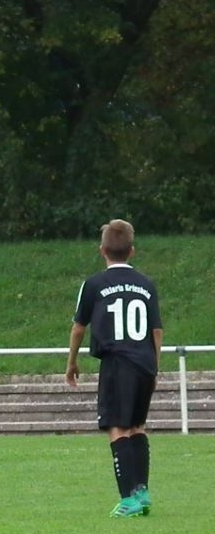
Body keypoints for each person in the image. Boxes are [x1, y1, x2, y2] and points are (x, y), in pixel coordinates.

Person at [65, 219, 163, 518]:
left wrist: (72, 362)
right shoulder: (146, 284)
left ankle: (128, 499)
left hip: (117, 363)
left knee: (118, 427)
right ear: (131, 251)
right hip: (144, 363)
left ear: (102, 250)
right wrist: (154, 366)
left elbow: (79, 327)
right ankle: (142, 491)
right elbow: (156, 330)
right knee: (137, 426)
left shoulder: (94, 284)